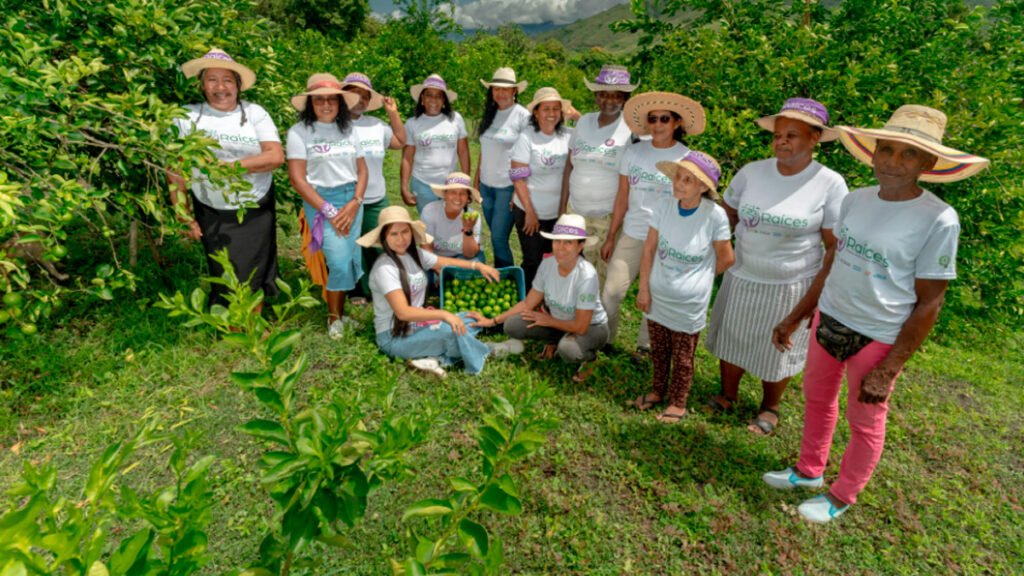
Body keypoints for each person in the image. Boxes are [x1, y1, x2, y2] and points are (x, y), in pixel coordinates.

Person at [763, 105, 989, 523]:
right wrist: (797, 315)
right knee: (817, 400)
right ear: (872, 153)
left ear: (928, 162)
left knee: (865, 419)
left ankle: (843, 494)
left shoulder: (939, 218)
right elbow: (832, 261)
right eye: (886, 150)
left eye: (907, 155)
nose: (893, 162)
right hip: (829, 318)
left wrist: (888, 369)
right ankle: (809, 472)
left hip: (878, 334)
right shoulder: (855, 200)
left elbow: (930, 301)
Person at [704, 98, 849, 435]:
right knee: (734, 335)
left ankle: (770, 406)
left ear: (814, 139)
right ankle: (728, 394)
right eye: (778, 135)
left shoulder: (829, 183)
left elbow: (833, 248)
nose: (782, 141)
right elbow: (727, 213)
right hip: (743, 273)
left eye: (792, 135)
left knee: (779, 346)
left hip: (791, 283)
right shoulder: (753, 172)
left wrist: (819, 297)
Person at [170, 48, 284, 307]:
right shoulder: (186, 117)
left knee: (254, 264)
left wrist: (228, 168)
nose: (220, 87)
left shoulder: (255, 113)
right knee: (221, 264)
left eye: (227, 80)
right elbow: (174, 168)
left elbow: (275, 156)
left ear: (238, 85)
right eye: (212, 79)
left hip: (253, 203)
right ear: (201, 84)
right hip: (211, 206)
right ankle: (233, 319)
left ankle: (249, 323)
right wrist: (183, 213)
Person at [601, 92, 704, 355]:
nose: (658, 124)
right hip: (633, 234)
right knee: (612, 291)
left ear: (676, 123)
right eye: (653, 119)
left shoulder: (687, 158)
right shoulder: (633, 152)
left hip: (667, 238)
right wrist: (612, 235)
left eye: (664, 119)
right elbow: (622, 197)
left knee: (655, 296)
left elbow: (691, 203)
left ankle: (645, 347)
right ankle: (605, 340)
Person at [634, 152, 734, 422]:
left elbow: (727, 258)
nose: (679, 183)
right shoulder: (664, 206)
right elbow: (649, 249)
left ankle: (678, 402)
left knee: (683, 356)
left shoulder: (715, 216)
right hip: (658, 296)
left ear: (703, 187)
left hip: (689, 304)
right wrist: (644, 288)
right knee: (660, 349)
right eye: (678, 176)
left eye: (688, 180)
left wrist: (698, 278)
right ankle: (657, 391)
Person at [358, 206, 503, 378]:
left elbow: (443, 262)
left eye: (405, 232)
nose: (401, 239)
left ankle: (433, 359)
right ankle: (487, 350)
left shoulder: (415, 254)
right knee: (452, 330)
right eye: (393, 234)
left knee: (468, 318)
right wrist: (443, 315)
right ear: (384, 238)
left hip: (419, 325)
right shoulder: (385, 268)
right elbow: (403, 313)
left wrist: (477, 265)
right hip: (395, 337)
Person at [474, 214, 609, 382]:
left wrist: (548, 321)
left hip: (591, 328)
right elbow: (528, 303)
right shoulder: (547, 265)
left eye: (568, 242)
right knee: (512, 325)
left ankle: (590, 359)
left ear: (580, 246)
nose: (560, 247)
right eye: (557, 241)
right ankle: (554, 340)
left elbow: (581, 327)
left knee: (568, 351)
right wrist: (494, 321)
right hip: (557, 321)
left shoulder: (586, 275)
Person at [286, 73, 367, 339]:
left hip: (352, 199)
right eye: (319, 100)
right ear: (310, 104)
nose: (326, 105)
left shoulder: (349, 130)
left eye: (332, 99)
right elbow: (298, 179)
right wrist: (329, 211)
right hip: (320, 201)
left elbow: (362, 170)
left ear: (340, 103)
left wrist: (355, 201)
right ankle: (334, 320)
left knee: (350, 257)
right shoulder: (299, 132)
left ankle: (341, 314)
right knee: (339, 261)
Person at [559, 64, 638, 282]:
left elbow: (629, 181)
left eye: (616, 96)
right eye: (603, 94)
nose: (608, 100)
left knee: (599, 275)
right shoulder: (584, 122)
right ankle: (570, 313)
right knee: (572, 270)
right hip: (575, 212)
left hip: (606, 217)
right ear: (596, 95)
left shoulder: (631, 129)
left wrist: (612, 234)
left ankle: (596, 316)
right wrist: (562, 209)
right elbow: (569, 166)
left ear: (624, 98)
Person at [341, 72, 407, 299]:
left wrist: (393, 114)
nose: (360, 99)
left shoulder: (376, 125)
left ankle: (381, 288)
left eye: (364, 96)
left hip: (376, 197)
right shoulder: (334, 125)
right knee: (352, 247)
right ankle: (357, 290)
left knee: (381, 245)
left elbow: (400, 142)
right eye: (354, 94)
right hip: (346, 198)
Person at [511, 87, 574, 289]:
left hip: (558, 213)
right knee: (533, 261)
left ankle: (550, 300)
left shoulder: (569, 136)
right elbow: (518, 178)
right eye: (546, 108)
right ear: (536, 112)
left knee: (555, 259)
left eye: (556, 108)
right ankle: (528, 303)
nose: (551, 113)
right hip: (531, 213)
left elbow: (593, 129)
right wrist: (530, 212)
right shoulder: (526, 137)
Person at [475, 67, 531, 268]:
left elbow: (529, 156)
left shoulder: (523, 116)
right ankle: (503, 274)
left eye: (505, 89)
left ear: (515, 91)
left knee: (498, 239)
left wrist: (519, 190)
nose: (500, 93)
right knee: (495, 237)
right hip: (486, 186)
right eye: (496, 88)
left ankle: (506, 279)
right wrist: (476, 181)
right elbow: (484, 149)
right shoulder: (490, 113)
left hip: (507, 187)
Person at [401, 74, 470, 215]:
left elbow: (463, 152)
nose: (434, 100)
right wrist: (404, 188)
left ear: (444, 100)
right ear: (422, 99)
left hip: (452, 184)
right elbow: (407, 158)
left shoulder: (455, 119)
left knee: (453, 224)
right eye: (429, 95)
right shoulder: (412, 123)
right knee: (429, 228)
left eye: (438, 96)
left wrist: (466, 183)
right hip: (423, 185)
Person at [420, 172, 484, 288]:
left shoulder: (473, 216)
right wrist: (440, 271)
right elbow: (426, 249)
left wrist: (468, 230)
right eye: (453, 192)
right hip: (437, 258)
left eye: (462, 194)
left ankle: (453, 279)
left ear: (468, 197)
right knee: (422, 279)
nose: (458, 198)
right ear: (445, 194)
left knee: (476, 262)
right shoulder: (430, 211)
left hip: (462, 257)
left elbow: (470, 254)